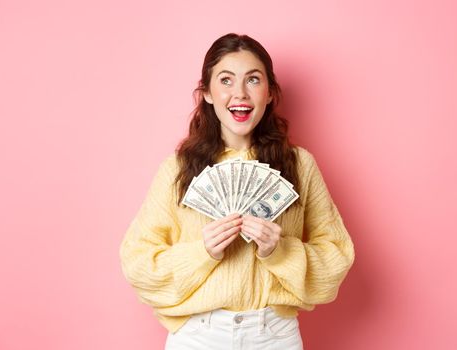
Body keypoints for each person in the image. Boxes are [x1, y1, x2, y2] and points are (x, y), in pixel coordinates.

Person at [120, 33, 355, 350]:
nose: (240, 93)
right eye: (226, 80)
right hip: (198, 336)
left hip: (274, 335)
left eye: (253, 80)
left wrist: (280, 251)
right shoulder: (177, 169)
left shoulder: (300, 166)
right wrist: (203, 253)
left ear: (270, 93)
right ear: (206, 93)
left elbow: (336, 259)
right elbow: (138, 263)